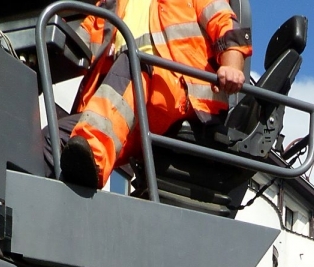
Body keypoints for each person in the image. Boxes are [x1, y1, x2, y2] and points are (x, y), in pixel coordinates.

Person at [56, 0, 252, 190]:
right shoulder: (110, 4)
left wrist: (232, 67)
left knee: (134, 59)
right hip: (124, 112)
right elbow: (74, 44)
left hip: (181, 92)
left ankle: (93, 155)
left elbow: (225, 25)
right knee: (55, 138)